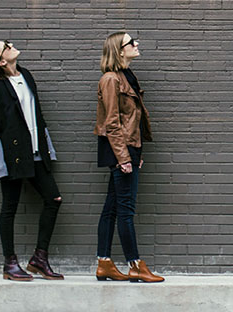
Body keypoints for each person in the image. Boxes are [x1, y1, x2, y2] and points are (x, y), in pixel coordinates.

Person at [0, 39, 64, 281]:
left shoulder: (26, 75)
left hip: (36, 153)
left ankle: (39, 258)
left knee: (53, 199)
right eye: (6, 46)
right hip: (12, 157)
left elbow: (38, 115)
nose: (11, 45)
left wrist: (48, 149)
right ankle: (10, 263)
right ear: (1, 61)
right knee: (10, 207)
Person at [93, 31, 163, 283]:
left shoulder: (126, 75)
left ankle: (104, 263)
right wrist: (124, 157)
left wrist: (136, 152)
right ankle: (135, 265)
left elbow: (133, 120)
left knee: (112, 208)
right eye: (131, 42)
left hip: (127, 148)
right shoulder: (110, 79)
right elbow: (112, 123)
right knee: (126, 209)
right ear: (119, 50)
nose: (136, 44)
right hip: (119, 150)